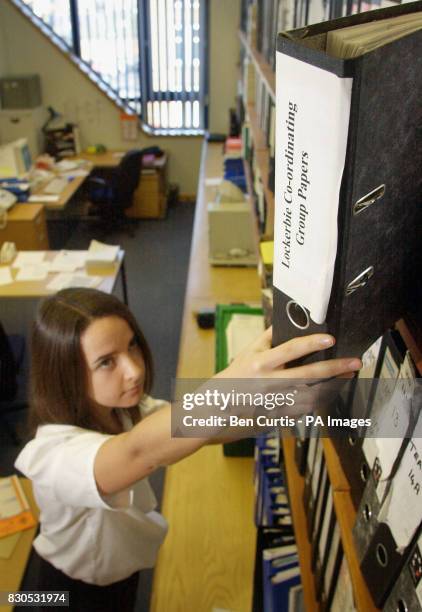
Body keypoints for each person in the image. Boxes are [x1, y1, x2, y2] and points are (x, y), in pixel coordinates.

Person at [15, 288, 362, 611]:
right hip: (69, 589)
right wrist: (230, 384)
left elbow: (210, 428)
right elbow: (137, 453)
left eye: (132, 345)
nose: (134, 370)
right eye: (106, 362)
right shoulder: (50, 455)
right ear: (65, 375)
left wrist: (296, 401)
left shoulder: (129, 410)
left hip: (122, 567)